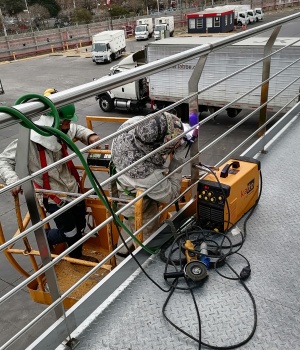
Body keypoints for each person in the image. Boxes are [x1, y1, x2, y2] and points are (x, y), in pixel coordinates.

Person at [0, 88, 100, 262]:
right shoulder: (28, 141)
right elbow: (3, 160)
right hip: (52, 195)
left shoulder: (61, 129)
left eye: (68, 122)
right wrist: (13, 180)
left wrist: (90, 136)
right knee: (70, 231)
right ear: (52, 120)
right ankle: (59, 244)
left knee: (81, 224)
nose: (68, 126)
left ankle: (73, 245)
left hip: (72, 189)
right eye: (65, 122)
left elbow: (76, 129)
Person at [111, 111, 187, 258]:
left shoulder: (134, 124)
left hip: (124, 191)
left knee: (129, 224)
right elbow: (171, 195)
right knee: (146, 233)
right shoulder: (145, 173)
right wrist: (178, 157)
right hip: (139, 204)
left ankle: (120, 255)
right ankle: (143, 262)